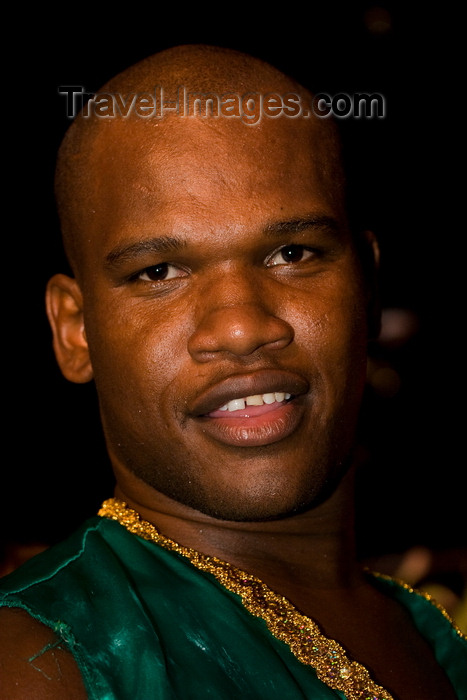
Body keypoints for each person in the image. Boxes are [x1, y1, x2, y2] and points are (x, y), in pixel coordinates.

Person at [0, 44, 465, 700]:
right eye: (158, 273)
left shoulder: (431, 634)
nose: (242, 327)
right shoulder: (38, 660)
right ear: (75, 330)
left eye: (290, 253)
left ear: (365, 284)